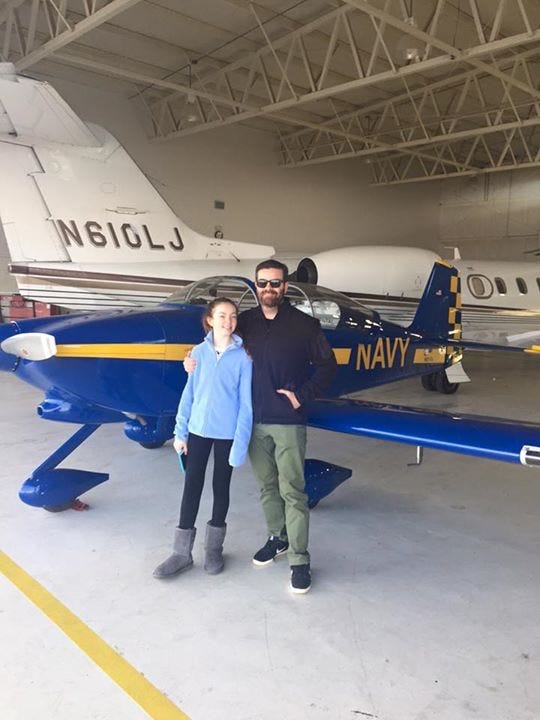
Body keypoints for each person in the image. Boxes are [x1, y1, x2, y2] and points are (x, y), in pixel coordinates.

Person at [185, 261, 337, 594]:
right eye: (263, 283)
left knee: (292, 491)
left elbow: (328, 366)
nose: (269, 288)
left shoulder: (305, 325)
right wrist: (190, 358)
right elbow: (217, 341)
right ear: (256, 286)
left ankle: (299, 560)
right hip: (253, 422)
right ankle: (278, 537)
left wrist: (302, 396)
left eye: (275, 283)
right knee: (267, 487)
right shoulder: (246, 323)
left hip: (287, 422)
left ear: (285, 287)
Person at [153, 298, 253, 579]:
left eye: (233, 316)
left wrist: (240, 444)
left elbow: (246, 405)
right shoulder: (197, 353)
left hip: (226, 434)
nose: (228, 321)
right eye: (222, 315)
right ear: (209, 319)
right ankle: (181, 553)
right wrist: (180, 432)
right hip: (197, 431)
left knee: (221, 488)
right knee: (192, 486)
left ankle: (213, 549)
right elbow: (189, 395)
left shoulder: (244, 357)